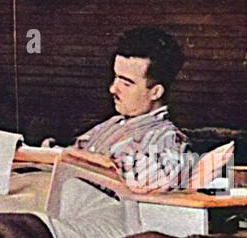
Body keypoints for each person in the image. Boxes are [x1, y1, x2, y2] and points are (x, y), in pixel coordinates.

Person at [58, 26, 191, 190]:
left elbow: (151, 179)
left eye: (127, 83)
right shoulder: (113, 123)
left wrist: (73, 159)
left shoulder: (165, 137)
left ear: (155, 92)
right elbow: (71, 152)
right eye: (115, 77)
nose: (113, 89)